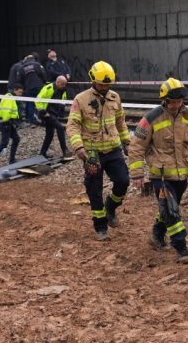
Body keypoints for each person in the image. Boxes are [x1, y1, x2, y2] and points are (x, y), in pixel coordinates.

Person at [127, 77, 188, 263]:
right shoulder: (151, 118)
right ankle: (181, 247)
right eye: (173, 101)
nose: (176, 105)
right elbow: (136, 147)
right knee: (172, 212)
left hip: (182, 175)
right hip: (161, 175)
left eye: (179, 101)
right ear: (164, 100)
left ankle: (157, 234)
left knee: (167, 209)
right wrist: (137, 174)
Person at [66, 61, 131, 241]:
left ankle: (110, 207)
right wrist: (79, 147)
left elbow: (120, 122)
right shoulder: (81, 99)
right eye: (101, 84)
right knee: (94, 190)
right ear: (93, 80)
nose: (104, 87)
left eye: (107, 85)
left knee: (123, 181)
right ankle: (100, 226)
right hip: (92, 153)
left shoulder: (115, 98)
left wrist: (127, 142)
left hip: (113, 149)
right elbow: (72, 125)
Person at [35, 76, 70, 158]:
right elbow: (38, 99)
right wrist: (43, 112)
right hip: (47, 113)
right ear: (57, 82)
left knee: (49, 134)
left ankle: (42, 153)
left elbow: (62, 102)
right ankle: (65, 150)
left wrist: (62, 112)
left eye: (65, 84)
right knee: (60, 128)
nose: (64, 86)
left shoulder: (63, 90)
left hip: (54, 113)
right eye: (62, 84)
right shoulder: (49, 88)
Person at [0, 86, 23, 168]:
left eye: (21, 92)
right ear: (15, 90)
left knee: (16, 139)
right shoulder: (9, 98)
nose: (20, 94)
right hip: (6, 123)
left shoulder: (11, 97)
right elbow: (6, 112)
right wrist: (7, 123)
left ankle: (12, 160)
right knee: (4, 143)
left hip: (9, 122)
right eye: (19, 92)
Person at [20, 53, 46, 126]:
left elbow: (21, 78)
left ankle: (31, 120)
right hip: (38, 87)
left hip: (28, 88)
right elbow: (43, 74)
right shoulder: (37, 64)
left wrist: (24, 86)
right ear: (33, 59)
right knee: (40, 103)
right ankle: (42, 118)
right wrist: (44, 81)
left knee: (30, 104)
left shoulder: (22, 67)